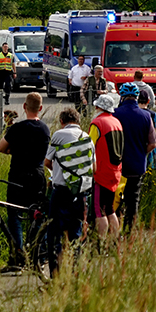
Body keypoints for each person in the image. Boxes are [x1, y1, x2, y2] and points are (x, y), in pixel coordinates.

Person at [0, 93, 50, 265]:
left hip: (18, 174)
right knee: (37, 214)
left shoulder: (17, 128)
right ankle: (38, 253)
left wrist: (13, 151)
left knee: (14, 214)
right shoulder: (45, 129)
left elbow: (1, 148)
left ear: (24, 107)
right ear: (40, 108)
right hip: (37, 174)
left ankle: (18, 255)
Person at [44, 108, 94, 275]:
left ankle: (55, 275)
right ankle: (75, 273)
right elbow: (93, 167)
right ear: (78, 121)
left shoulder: (58, 135)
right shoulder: (87, 138)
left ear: (62, 121)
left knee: (54, 233)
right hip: (80, 192)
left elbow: (47, 161)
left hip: (61, 191)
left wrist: (59, 171)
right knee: (76, 232)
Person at [114, 83, 156, 233]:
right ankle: (129, 232)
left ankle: (115, 232)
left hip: (118, 166)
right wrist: (141, 152)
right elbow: (152, 143)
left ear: (122, 96)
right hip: (137, 165)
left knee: (116, 201)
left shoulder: (114, 114)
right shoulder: (146, 116)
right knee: (133, 202)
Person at [88, 94, 124, 242]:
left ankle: (101, 244)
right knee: (109, 208)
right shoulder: (116, 122)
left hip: (100, 173)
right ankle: (115, 241)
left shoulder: (97, 123)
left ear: (98, 107)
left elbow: (89, 147)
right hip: (115, 171)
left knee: (99, 211)